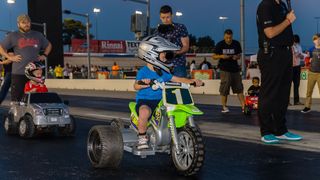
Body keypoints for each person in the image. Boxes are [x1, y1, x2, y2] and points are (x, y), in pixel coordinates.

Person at [134, 36, 203, 149]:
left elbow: (178, 79)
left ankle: (176, 133)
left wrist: (192, 81)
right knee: (144, 112)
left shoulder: (163, 73)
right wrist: (144, 83)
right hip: (146, 101)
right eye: (164, 54)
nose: (166, 57)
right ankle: (142, 137)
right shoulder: (143, 71)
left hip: (163, 100)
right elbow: (136, 85)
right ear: (151, 54)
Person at [256, 0, 302, 144]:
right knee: (269, 93)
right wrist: (288, 21)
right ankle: (266, 131)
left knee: (283, 94)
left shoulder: (281, 5)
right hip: (271, 54)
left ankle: (280, 130)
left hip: (285, 53)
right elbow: (269, 33)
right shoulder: (265, 5)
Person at [0, 14, 52, 102]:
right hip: (19, 73)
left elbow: (49, 45)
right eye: (23, 22)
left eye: (28, 22)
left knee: (36, 98)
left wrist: (44, 55)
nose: (26, 24)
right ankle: (16, 115)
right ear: (18, 24)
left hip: (34, 74)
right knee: (17, 99)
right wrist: (9, 57)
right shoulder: (13, 35)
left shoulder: (38, 35)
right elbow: (1, 47)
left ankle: (33, 115)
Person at [212, 29, 245, 113]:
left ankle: (244, 106)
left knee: (239, 88)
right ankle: (224, 106)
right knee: (225, 88)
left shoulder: (236, 43)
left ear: (232, 36)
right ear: (224, 36)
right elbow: (214, 56)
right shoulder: (220, 44)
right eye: (227, 37)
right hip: (224, 69)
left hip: (235, 69)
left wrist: (236, 57)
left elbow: (239, 55)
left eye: (230, 37)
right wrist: (222, 56)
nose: (228, 39)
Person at [155, 5, 189, 77]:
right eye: (163, 18)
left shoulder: (180, 27)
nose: (165, 20)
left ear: (172, 16)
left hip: (178, 65)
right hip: (163, 66)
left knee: (181, 87)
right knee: (163, 88)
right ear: (160, 17)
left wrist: (176, 53)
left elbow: (186, 46)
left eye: (168, 17)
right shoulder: (157, 31)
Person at [301, 34, 320, 113]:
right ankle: (307, 107)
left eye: (319, 39)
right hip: (311, 72)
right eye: (316, 39)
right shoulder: (311, 49)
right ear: (313, 41)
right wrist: (307, 59)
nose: (318, 41)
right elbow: (307, 59)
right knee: (309, 91)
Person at [291, 34, 304, 105]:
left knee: (297, 84)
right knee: (288, 85)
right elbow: (297, 54)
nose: (295, 43)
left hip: (297, 66)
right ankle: (286, 101)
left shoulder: (299, 46)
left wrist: (303, 56)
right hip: (291, 67)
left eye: (296, 41)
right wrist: (301, 55)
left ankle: (296, 101)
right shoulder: (290, 46)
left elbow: (300, 55)